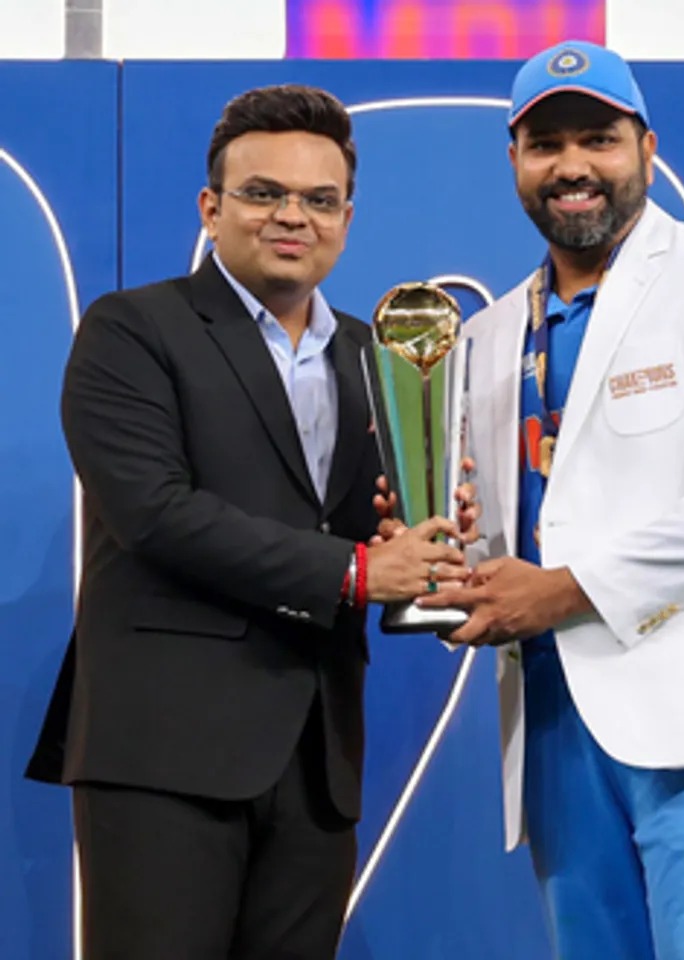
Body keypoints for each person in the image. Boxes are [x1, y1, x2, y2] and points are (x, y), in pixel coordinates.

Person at [25, 83, 470, 960]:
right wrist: (354, 572)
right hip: (163, 752)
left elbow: (366, 527)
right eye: (264, 193)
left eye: (319, 199)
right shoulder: (132, 330)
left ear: (346, 219)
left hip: (317, 756)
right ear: (212, 207)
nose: (292, 217)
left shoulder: (372, 354)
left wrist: (422, 543)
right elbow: (154, 513)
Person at [419, 40, 684, 960]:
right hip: (554, 718)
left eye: (598, 139)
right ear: (515, 161)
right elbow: (500, 528)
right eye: (546, 144)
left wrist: (558, 592)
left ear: (646, 148)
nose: (573, 166)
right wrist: (443, 568)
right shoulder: (486, 335)